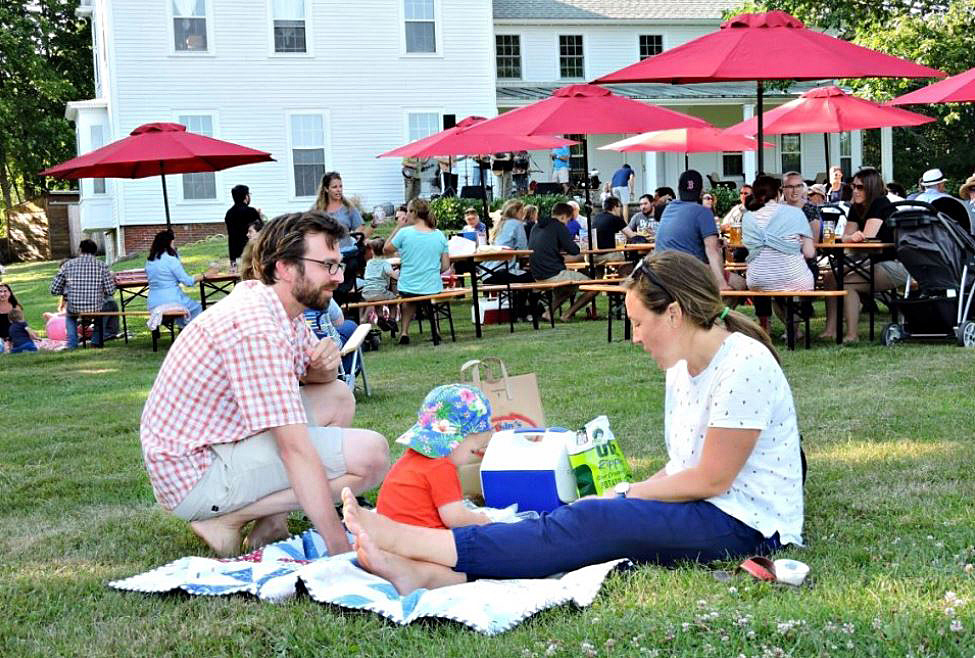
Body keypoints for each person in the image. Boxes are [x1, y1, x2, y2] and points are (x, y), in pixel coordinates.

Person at [339, 250, 804, 594]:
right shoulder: (683, 366)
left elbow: (711, 477)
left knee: (595, 520)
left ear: (676, 315)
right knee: (584, 517)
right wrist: (629, 492)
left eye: (640, 324)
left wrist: (631, 493)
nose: (636, 337)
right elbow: (684, 464)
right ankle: (428, 573)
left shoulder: (743, 363)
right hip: (711, 508)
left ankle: (409, 542)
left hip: (748, 525)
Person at [139, 211, 390, 557]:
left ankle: (271, 520)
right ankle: (228, 518)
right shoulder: (257, 328)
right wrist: (342, 552)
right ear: (285, 267)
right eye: (327, 265)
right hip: (197, 474)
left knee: (338, 397)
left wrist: (326, 364)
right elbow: (295, 450)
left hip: (220, 443)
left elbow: (318, 378)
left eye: (338, 265)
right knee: (371, 455)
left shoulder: (276, 305)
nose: (337, 277)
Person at [376, 384, 494, 529]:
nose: (471, 458)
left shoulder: (410, 459)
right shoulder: (441, 467)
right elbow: (456, 518)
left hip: (392, 538)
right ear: (457, 440)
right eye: (473, 450)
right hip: (422, 543)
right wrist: (483, 520)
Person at [820, 167, 908, 343]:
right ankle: (830, 329)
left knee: (847, 284)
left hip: (896, 264)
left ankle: (852, 334)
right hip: (869, 261)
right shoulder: (856, 207)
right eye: (853, 187)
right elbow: (849, 237)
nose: (855, 191)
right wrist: (849, 238)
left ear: (871, 187)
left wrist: (849, 239)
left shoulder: (880, 204)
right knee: (830, 277)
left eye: (860, 187)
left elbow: (867, 238)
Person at [742, 175, 816, 334]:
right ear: (778, 194)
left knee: (772, 278)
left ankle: (770, 327)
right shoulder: (795, 214)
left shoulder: (748, 217)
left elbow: (748, 248)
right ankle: (795, 328)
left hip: (757, 279)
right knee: (794, 278)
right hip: (793, 277)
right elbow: (810, 253)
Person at [384, 198, 450, 345]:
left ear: (413, 212)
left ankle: (404, 331)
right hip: (432, 285)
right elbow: (446, 266)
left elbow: (386, 249)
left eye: (408, 211)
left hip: (409, 285)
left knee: (409, 298)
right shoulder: (439, 235)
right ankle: (436, 329)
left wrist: (398, 227)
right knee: (427, 297)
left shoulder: (405, 233)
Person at [655, 170, 731, 291]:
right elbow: (712, 250)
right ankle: (710, 309)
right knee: (739, 284)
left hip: (661, 270)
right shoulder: (703, 212)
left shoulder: (669, 209)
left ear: (679, 189)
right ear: (701, 192)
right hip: (688, 272)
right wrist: (722, 283)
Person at [528, 202, 599, 322]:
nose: (567, 223)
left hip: (537, 273)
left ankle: (548, 313)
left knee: (569, 288)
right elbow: (574, 250)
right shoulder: (558, 226)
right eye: (568, 220)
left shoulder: (537, 226)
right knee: (594, 287)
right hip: (553, 273)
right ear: (563, 217)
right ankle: (567, 314)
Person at [312, 171, 373, 301]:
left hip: (346, 253)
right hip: (326, 254)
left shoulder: (348, 208)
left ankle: (340, 304)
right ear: (326, 189)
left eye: (340, 186)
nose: (338, 190)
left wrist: (358, 234)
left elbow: (360, 229)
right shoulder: (318, 210)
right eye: (334, 187)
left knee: (349, 266)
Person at [49, 239, 118, 348]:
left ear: (80, 250)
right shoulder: (102, 266)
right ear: (95, 252)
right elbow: (111, 291)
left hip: (74, 306)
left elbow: (54, 289)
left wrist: (68, 291)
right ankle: (96, 342)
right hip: (96, 306)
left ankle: (72, 344)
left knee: (70, 316)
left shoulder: (67, 265)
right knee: (104, 309)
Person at [482, 200, 535, 319]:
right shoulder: (516, 224)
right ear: (516, 212)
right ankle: (524, 312)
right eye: (522, 211)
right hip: (502, 271)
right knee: (531, 277)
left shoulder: (500, 224)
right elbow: (523, 250)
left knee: (522, 277)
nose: (523, 215)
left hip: (487, 272)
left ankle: (520, 311)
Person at [145, 230, 203, 324]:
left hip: (153, 302)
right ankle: (188, 332)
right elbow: (187, 281)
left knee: (183, 308)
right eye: (173, 242)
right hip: (171, 300)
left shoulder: (150, 261)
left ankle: (182, 328)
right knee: (197, 307)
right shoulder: (171, 260)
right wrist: (204, 275)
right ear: (169, 243)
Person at [224, 185, 260, 272]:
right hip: (251, 250)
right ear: (246, 196)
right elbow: (259, 229)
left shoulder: (229, 213)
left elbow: (231, 235)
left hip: (235, 252)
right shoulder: (251, 211)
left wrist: (232, 259)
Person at [591, 197, 629, 267]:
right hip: (606, 256)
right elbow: (631, 235)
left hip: (591, 256)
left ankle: (599, 277)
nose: (620, 209)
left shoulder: (596, 217)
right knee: (622, 257)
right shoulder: (616, 219)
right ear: (615, 207)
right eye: (620, 207)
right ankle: (623, 277)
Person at [0, 283, 22, 354]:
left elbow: (21, 323)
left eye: (5, 291)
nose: (2, 294)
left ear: (10, 293)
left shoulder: (15, 306)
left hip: (12, 334)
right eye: (0, 291)